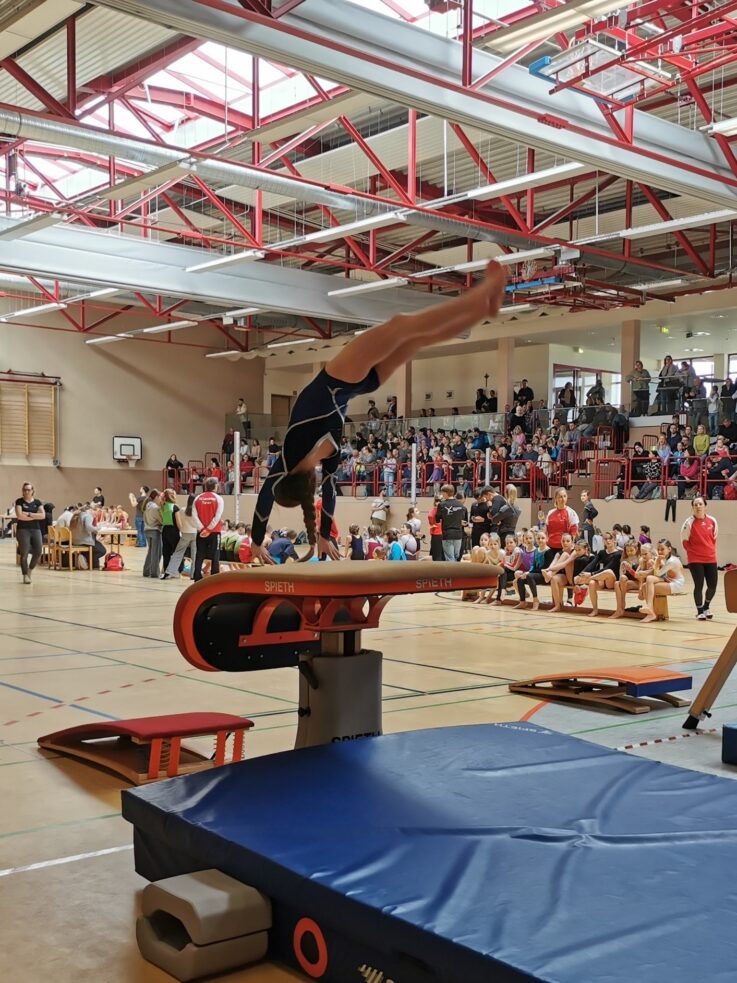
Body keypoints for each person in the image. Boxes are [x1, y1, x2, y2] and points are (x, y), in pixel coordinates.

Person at [250, 261, 506, 562]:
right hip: (338, 380)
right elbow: (269, 492)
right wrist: (269, 538)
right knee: (401, 327)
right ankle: (479, 298)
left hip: (357, 386)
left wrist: (316, 536)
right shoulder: (291, 455)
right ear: (287, 478)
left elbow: (313, 496)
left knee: (416, 339)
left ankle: (479, 311)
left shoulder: (322, 461)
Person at [681, 497, 718, 620]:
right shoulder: (688, 522)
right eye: (695, 504)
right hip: (695, 559)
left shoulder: (712, 521)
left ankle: (706, 607)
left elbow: (714, 538)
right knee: (699, 585)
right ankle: (700, 611)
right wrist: (693, 553)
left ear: (705, 506)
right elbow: (684, 540)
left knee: (712, 585)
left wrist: (709, 550)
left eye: (700, 504)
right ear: (692, 507)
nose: (698, 506)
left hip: (711, 558)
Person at [639, 539, 685, 623]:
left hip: (676, 584)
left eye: (662, 549)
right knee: (648, 580)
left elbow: (657, 573)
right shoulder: (665, 559)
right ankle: (650, 611)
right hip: (669, 580)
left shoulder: (671, 561)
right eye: (658, 549)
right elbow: (660, 574)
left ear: (669, 549)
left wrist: (657, 562)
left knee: (647, 584)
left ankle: (650, 611)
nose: (660, 551)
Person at [192, 477, 224, 581]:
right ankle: (214, 576)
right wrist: (209, 529)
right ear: (215, 486)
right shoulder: (219, 499)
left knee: (200, 553)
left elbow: (194, 515)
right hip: (214, 532)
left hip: (201, 532)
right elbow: (217, 516)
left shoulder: (197, 498)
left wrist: (202, 528)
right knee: (215, 554)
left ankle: (197, 575)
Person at [163, 494, 200, 580]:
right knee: (195, 555)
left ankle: (170, 572)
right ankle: (193, 575)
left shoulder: (182, 509)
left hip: (185, 534)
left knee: (178, 553)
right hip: (194, 534)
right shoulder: (196, 511)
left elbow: (179, 522)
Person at [15, 482, 44, 584]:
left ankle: (29, 571)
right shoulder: (19, 501)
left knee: (38, 551)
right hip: (22, 530)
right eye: (25, 490)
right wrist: (34, 516)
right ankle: (24, 575)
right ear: (22, 491)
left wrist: (28, 514)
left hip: (36, 529)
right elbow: (19, 516)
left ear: (32, 491)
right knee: (24, 553)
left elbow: (43, 516)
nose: (26, 491)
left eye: (29, 489)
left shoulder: (37, 502)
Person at [69, 505, 106, 571]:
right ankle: (85, 559)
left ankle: (88, 562)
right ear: (89, 510)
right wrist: (97, 528)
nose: (94, 512)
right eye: (93, 510)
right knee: (102, 550)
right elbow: (88, 527)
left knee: (95, 549)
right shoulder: (87, 515)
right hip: (85, 541)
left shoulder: (76, 516)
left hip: (75, 541)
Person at [437, 484, 466, 562]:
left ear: (446, 493)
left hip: (447, 534)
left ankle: (451, 574)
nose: (442, 495)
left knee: (450, 557)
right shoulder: (461, 505)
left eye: (442, 493)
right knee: (456, 556)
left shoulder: (442, 505)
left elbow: (437, 519)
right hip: (458, 534)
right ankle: (456, 573)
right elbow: (462, 518)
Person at [160, 488, 181, 577]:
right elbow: (178, 522)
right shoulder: (175, 507)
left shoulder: (162, 506)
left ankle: (166, 570)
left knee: (166, 552)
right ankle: (175, 571)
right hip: (174, 531)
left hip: (165, 530)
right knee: (176, 552)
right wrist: (182, 531)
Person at [142, 489, 163, 578]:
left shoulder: (147, 506)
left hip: (147, 530)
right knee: (156, 552)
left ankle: (146, 571)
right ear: (156, 497)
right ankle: (154, 573)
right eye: (160, 497)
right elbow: (161, 520)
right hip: (155, 530)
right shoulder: (155, 508)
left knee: (150, 551)